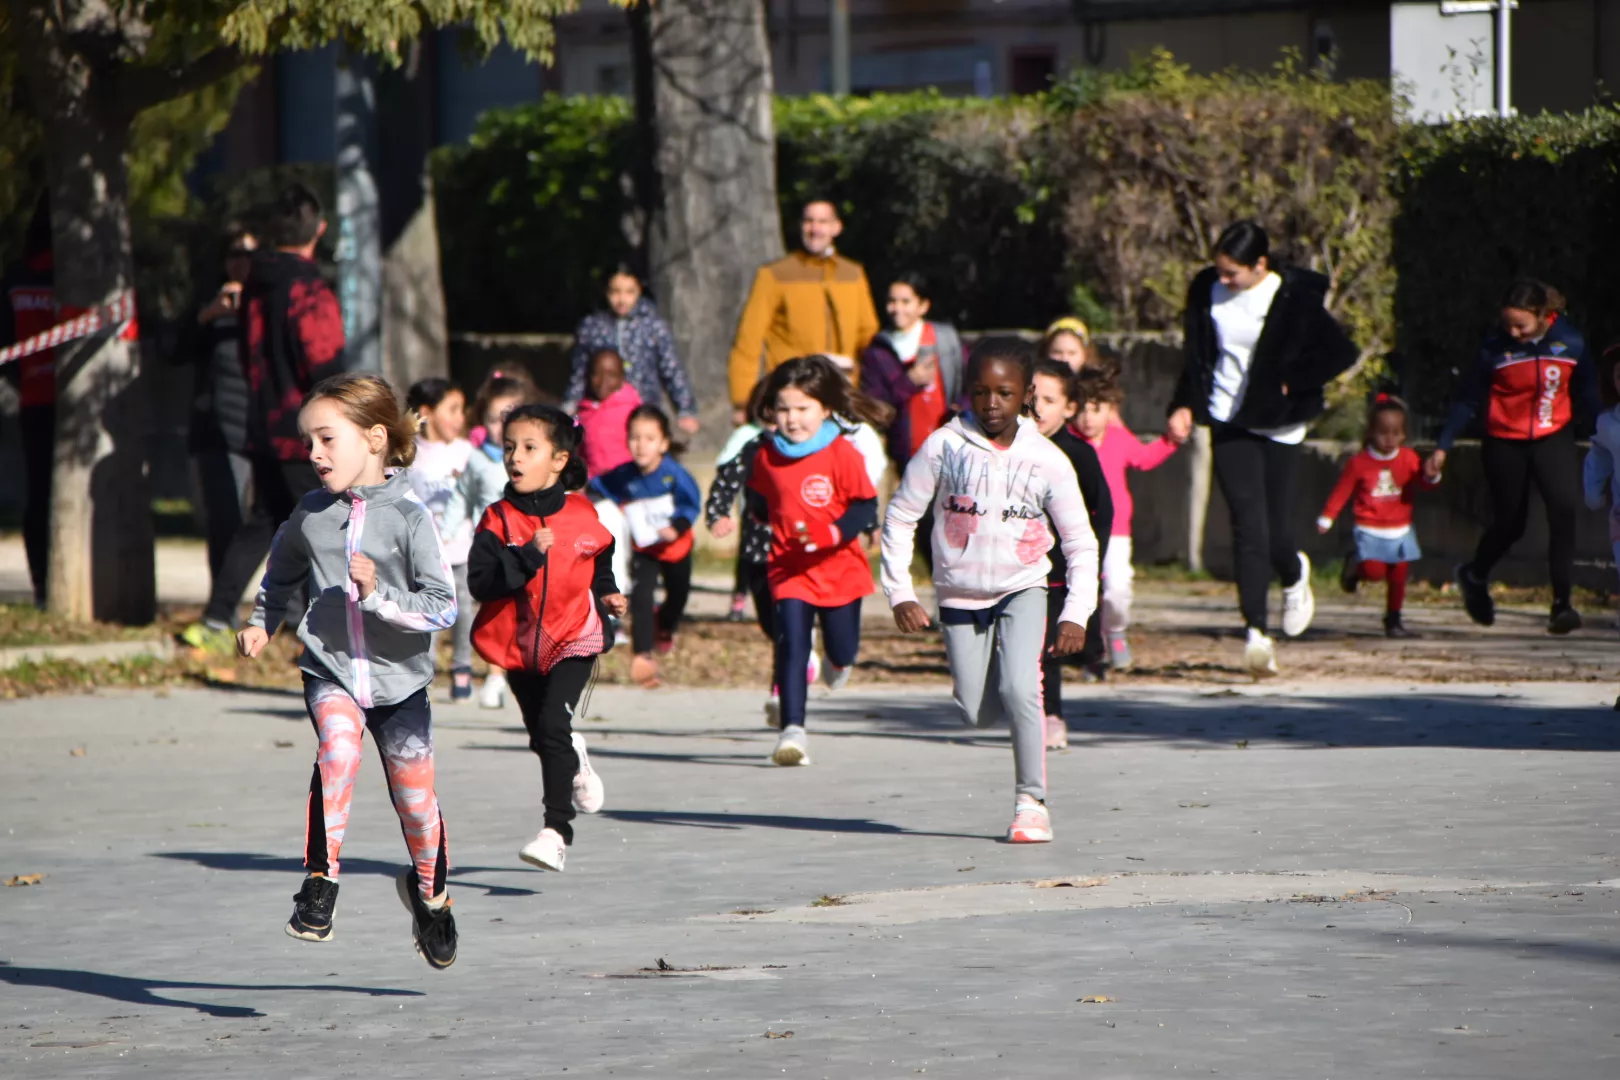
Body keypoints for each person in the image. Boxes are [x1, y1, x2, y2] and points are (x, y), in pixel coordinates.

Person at [235, 373, 459, 970]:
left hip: (400, 682)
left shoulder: (411, 517)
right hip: (330, 668)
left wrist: (380, 594)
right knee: (337, 750)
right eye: (309, 441)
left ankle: (432, 896)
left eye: (328, 439)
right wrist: (263, 623)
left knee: (416, 800)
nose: (314, 454)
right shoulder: (309, 514)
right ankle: (319, 887)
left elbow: (444, 605)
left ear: (376, 438)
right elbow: (280, 576)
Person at [881, 337, 1099, 844]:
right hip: (959, 594)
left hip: (1023, 588)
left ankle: (1032, 803)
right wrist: (900, 593)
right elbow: (899, 517)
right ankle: (1007, 683)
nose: (991, 404)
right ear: (966, 393)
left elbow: (1081, 542)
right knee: (976, 710)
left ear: (1026, 395)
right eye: (980, 392)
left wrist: (1076, 613)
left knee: (1023, 688)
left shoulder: (1047, 459)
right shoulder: (944, 445)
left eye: (1004, 392)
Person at [1167, 221, 1357, 677]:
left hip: (1279, 422)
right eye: (1220, 271)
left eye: (1233, 273)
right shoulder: (1205, 289)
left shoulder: (1293, 297)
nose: (1224, 280)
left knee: (1275, 533)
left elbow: (1340, 353)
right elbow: (1197, 356)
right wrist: (1183, 404)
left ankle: (1294, 573)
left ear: (1260, 266)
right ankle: (1256, 633)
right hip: (1228, 419)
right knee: (1245, 526)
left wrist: (1296, 381)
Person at [184, 183, 346, 649]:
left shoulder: (255, 285)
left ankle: (216, 618)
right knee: (328, 526)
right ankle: (329, 632)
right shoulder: (309, 289)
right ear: (320, 229)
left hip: (264, 426)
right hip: (309, 435)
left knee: (263, 522)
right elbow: (323, 363)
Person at [468, 405, 625, 873]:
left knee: (553, 727)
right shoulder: (497, 519)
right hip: (518, 647)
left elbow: (598, 555)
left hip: (574, 636)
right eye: (509, 447)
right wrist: (527, 558)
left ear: (558, 460)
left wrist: (609, 592)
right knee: (544, 736)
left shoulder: (582, 513)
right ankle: (573, 754)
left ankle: (556, 832)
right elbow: (482, 584)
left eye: (529, 448)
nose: (515, 457)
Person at [1426, 279, 1598, 634]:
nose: (1514, 332)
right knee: (1511, 523)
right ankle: (1474, 574)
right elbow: (1467, 398)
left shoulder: (1572, 342)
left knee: (1564, 510)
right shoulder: (1494, 349)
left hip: (1553, 434)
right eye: (1508, 325)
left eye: (1521, 325)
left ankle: (1562, 604)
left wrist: (1605, 436)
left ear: (1543, 315)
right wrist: (1443, 445)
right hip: (1504, 440)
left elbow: (1589, 393)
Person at [746, 356, 882, 765]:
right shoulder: (767, 455)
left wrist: (833, 532)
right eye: (783, 409)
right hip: (789, 569)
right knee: (791, 645)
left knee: (841, 651)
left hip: (840, 569)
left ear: (825, 408)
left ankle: (839, 663)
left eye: (802, 409)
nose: (792, 419)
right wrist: (762, 517)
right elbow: (758, 500)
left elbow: (866, 506)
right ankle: (793, 732)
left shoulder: (842, 452)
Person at [727, 201, 881, 425]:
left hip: (845, 393)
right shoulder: (774, 274)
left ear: (836, 227)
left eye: (822, 222)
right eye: (809, 221)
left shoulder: (853, 273)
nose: (815, 228)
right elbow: (748, 341)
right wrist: (743, 401)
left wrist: (876, 389)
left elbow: (868, 336)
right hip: (794, 397)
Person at [1029, 359, 1113, 750]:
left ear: (1069, 408)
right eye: (1032, 396)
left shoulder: (1079, 455)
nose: (1038, 407)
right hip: (1015, 569)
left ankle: (1052, 716)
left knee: (1047, 648)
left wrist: (1087, 567)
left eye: (1049, 399)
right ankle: (1027, 709)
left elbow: (1102, 512)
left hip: (1060, 573)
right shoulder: (1009, 448)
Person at [588, 405, 702, 688]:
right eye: (635, 437)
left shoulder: (674, 474)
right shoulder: (625, 474)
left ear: (663, 443)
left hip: (676, 547)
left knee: (678, 595)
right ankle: (642, 655)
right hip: (645, 549)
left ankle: (665, 624)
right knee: (641, 598)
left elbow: (692, 503)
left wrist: (676, 527)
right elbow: (598, 486)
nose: (640, 445)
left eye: (649, 438)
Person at [1075, 367, 1180, 671]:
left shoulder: (1119, 438)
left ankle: (1115, 630)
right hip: (1077, 530)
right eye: (1081, 409)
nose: (1088, 417)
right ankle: (1084, 648)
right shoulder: (1065, 441)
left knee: (1117, 589)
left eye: (1096, 409)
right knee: (1080, 590)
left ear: (1111, 410)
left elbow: (1144, 459)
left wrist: (1171, 440)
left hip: (1117, 530)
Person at [1318, 394, 1438, 639]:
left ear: (1404, 434)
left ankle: (1393, 619)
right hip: (1369, 525)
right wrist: (1328, 516)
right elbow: (1342, 491)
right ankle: (1355, 566)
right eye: (1384, 432)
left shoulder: (1408, 458)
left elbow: (1422, 484)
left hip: (1400, 527)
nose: (1389, 438)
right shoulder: (1359, 462)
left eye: (1396, 433)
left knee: (1399, 574)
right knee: (1374, 572)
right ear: (1372, 431)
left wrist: (1431, 475)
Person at [179, 227, 258, 592]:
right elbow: (173, 349)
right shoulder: (208, 302)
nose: (241, 262)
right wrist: (208, 314)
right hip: (218, 427)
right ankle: (222, 606)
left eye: (249, 254)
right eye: (234, 253)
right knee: (224, 521)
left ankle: (291, 612)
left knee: (281, 521)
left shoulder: (271, 301)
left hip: (264, 426)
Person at [459, 369, 541, 710]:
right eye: (493, 419)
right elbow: (461, 497)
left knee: (532, 609)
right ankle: (495, 675)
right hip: (493, 548)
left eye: (509, 418)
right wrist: (448, 531)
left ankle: (532, 671)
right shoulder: (478, 459)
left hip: (532, 545)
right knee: (497, 611)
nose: (500, 426)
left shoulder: (537, 456)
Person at [0, 198, 58, 608]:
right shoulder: (71, 278)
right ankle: (44, 585)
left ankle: (42, 586)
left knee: (39, 494)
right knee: (44, 497)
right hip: (50, 401)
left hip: (35, 401)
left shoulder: (15, 278)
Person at [406, 378, 476, 701]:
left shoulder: (465, 453)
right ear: (426, 413)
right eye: (452, 410)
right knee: (427, 612)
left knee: (463, 609)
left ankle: (463, 666)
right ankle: (425, 669)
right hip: (425, 552)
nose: (460, 418)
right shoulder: (410, 455)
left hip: (462, 547)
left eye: (462, 410)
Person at [563, 266, 699, 434]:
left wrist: (685, 408)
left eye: (629, 292)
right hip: (602, 411)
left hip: (644, 406)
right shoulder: (591, 326)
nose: (622, 299)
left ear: (640, 290)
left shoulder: (653, 326)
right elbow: (580, 371)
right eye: (615, 292)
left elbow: (671, 368)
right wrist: (570, 404)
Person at [859, 271, 964, 470]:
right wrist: (908, 383)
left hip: (951, 448)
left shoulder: (945, 339)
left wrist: (961, 408)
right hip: (906, 456)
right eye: (892, 301)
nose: (897, 308)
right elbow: (873, 407)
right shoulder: (878, 350)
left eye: (906, 301)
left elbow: (971, 382)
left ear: (923, 306)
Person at [576, 349, 642, 480]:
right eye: (596, 374)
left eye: (611, 375)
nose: (603, 382)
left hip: (627, 484)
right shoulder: (584, 413)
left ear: (622, 378)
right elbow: (582, 453)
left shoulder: (632, 411)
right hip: (595, 486)